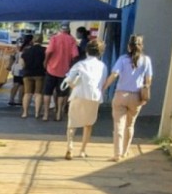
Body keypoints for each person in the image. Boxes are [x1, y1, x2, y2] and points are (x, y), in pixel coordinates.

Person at [102, 34, 153, 162]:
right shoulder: (146, 60)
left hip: (121, 95)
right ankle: (125, 152)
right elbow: (148, 80)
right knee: (130, 125)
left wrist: (104, 87)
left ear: (129, 47)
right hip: (136, 97)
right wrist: (144, 95)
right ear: (141, 46)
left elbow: (114, 74)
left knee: (118, 125)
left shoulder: (122, 59)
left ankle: (116, 154)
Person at [63, 39, 107, 160]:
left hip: (78, 94)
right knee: (88, 124)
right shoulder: (103, 66)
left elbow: (69, 80)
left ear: (87, 51)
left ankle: (70, 147)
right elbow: (102, 82)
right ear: (100, 52)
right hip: (94, 96)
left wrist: (75, 86)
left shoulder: (80, 64)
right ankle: (82, 150)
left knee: (72, 123)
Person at [43, 22, 79, 122]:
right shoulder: (72, 40)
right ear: (68, 29)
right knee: (61, 93)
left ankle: (45, 114)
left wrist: (45, 62)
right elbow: (75, 55)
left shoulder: (54, 38)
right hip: (64, 71)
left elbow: (49, 51)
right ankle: (58, 114)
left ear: (60, 29)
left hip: (51, 69)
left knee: (47, 92)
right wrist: (71, 65)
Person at [19, 34, 46, 119]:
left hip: (27, 74)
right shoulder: (44, 50)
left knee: (27, 94)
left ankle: (25, 113)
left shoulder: (26, 51)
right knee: (38, 94)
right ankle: (37, 113)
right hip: (39, 74)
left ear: (33, 40)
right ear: (41, 40)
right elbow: (45, 63)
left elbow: (22, 64)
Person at [7, 34, 33, 106]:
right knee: (22, 84)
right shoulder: (30, 48)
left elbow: (12, 57)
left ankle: (12, 99)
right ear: (31, 40)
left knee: (17, 83)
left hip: (17, 67)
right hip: (25, 68)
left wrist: (9, 65)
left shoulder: (19, 47)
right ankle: (20, 100)